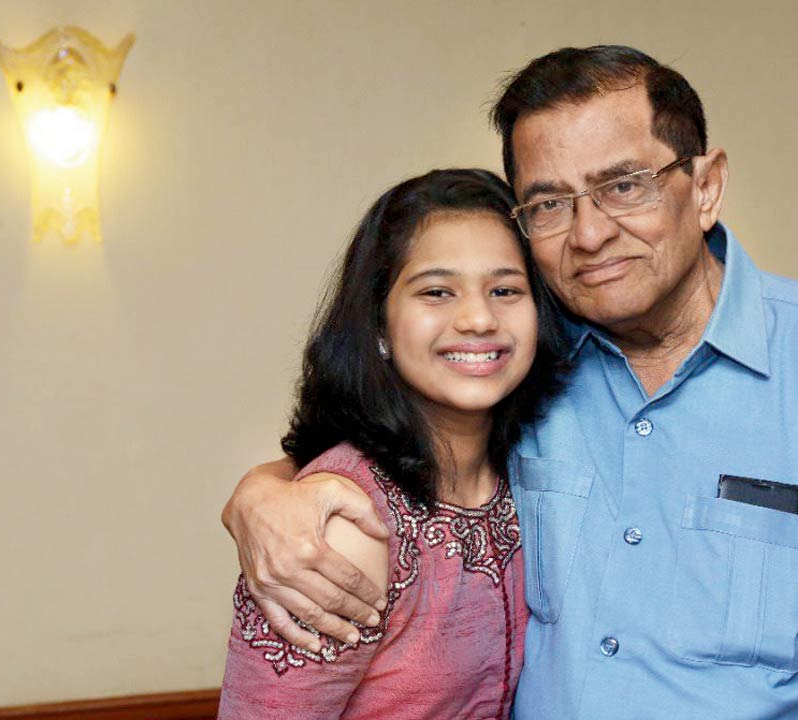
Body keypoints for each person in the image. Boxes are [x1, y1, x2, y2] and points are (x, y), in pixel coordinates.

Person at [222, 46, 798, 718]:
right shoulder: (525, 364)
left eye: (624, 184)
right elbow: (402, 452)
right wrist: (263, 493)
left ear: (705, 186)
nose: (590, 233)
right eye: (549, 203)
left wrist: (260, 490)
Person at [217, 168, 567, 719]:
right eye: (436, 292)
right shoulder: (344, 525)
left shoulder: (536, 471)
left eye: (505, 290)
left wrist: (260, 482)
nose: (478, 318)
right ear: (380, 324)